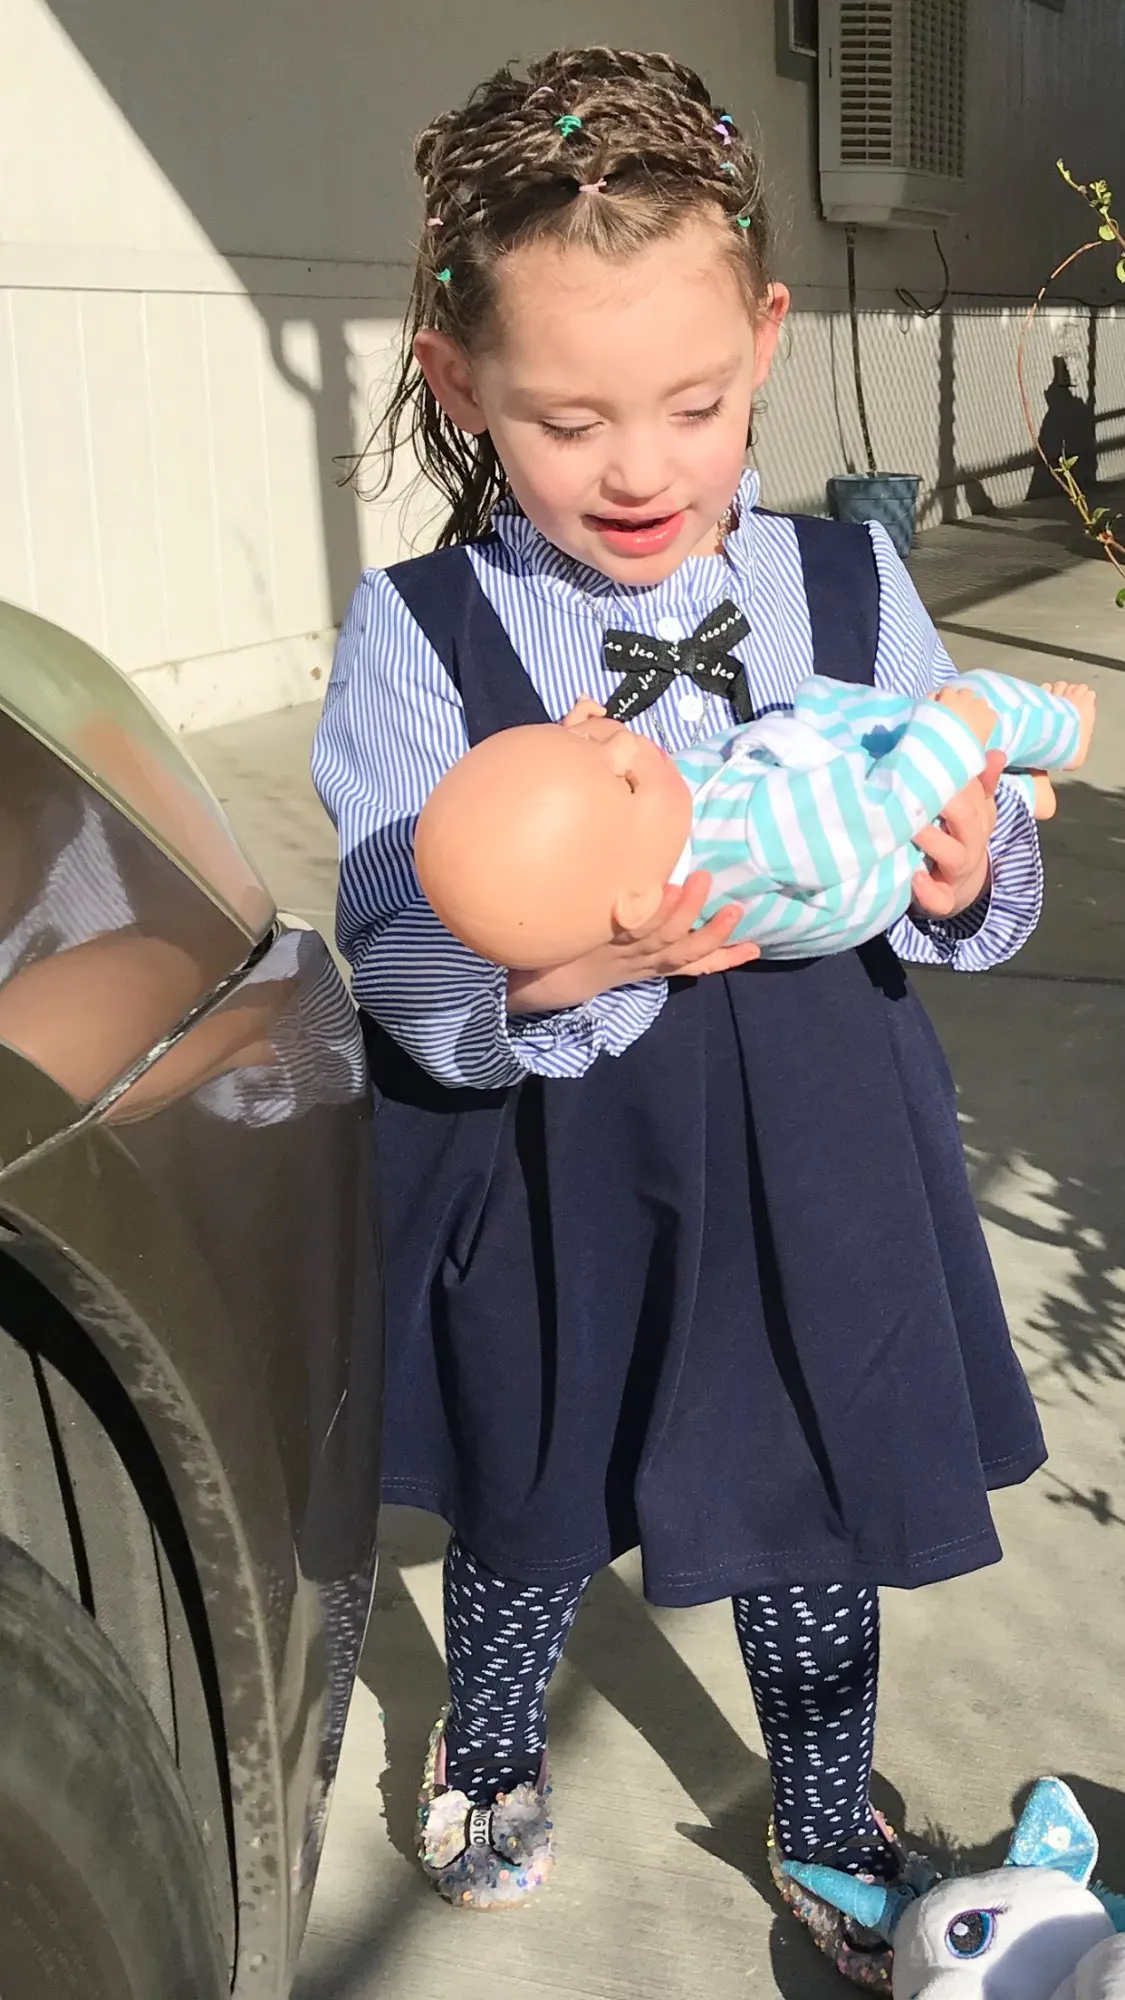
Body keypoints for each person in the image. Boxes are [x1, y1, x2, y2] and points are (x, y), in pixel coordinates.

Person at [312, 47, 1048, 1986]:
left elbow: (954, 822)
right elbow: (388, 919)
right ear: (459, 380)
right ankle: (488, 1744)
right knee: (535, 1479)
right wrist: (536, 974)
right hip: (556, 1144)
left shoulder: (846, 582)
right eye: (569, 421)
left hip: (818, 1126)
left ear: (767, 343)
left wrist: (965, 872)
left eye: (697, 407)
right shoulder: (427, 629)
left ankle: (820, 1808)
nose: (639, 469)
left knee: (814, 1499)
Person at [413, 672, 1095, 969]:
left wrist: (582, 744)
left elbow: (563, 819)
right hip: (878, 828)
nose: (629, 743)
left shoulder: (637, 863)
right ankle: (1064, 731)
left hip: (874, 852)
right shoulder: (738, 830)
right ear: (636, 899)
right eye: (624, 778)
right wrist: (950, 734)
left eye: (596, 738)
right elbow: (874, 809)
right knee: (965, 703)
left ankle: (1015, 794)